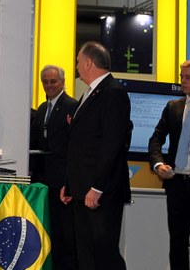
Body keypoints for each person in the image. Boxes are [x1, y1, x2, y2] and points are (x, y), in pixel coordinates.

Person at [61, 41, 131, 270]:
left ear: (89, 62)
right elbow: (81, 144)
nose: (77, 66)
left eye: (79, 62)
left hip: (101, 191)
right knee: (87, 254)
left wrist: (97, 187)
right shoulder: (90, 94)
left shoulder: (113, 93)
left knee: (104, 253)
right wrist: (70, 184)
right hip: (83, 188)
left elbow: (112, 144)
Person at [149, 59, 190, 270]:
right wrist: (158, 165)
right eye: (181, 76)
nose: (182, 81)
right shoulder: (173, 107)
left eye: (188, 77)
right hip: (177, 184)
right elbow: (155, 140)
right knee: (177, 243)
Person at [31, 65, 78, 270]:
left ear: (63, 82)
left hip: (62, 182)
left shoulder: (72, 106)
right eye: (45, 82)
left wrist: (69, 181)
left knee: (65, 235)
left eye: (53, 81)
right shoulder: (41, 109)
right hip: (43, 181)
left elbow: (74, 147)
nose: (49, 86)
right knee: (47, 232)